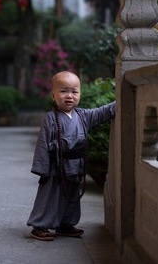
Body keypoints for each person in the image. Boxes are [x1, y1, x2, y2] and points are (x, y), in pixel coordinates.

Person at [27, 71, 116, 241]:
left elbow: (102, 112)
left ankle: (65, 224)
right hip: (56, 167)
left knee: (72, 197)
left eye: (74, 92)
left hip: (75, 166)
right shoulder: (51, 118)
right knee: (50, 197)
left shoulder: (82, 116)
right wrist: (42, 169)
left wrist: (120, 103)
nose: (69, 96)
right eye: (63, 91)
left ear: (80, 94)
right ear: (53, 95)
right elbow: (43, 143)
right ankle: (39, 225)